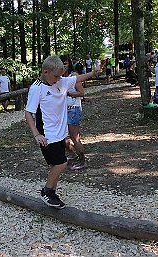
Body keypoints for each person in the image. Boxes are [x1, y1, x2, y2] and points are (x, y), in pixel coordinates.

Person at [25, 55, 99, 209]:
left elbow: (77, 78)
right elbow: (28, 113)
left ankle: (51, 192)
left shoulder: (61, 81)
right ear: (46, 72)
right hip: (47, 135)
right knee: (61, 164)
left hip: (60, 134)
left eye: (60, 75)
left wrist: (93, 73)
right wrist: (36, 134)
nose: (59, 79)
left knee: (56, 165)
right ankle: (47, 192)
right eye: (56, 76)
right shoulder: (37, 88)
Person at [60, 55, 86, 171]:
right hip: (62, 111)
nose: (63, 66)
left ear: (69, 64)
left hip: (73, 109)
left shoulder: (73, 76)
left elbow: (81, 93)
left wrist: (68, 94)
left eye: (65, 63)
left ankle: (82, 161)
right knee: (61, 137)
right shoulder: (59, 78)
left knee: (75, 137)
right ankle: (73, 155)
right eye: (61, 63)